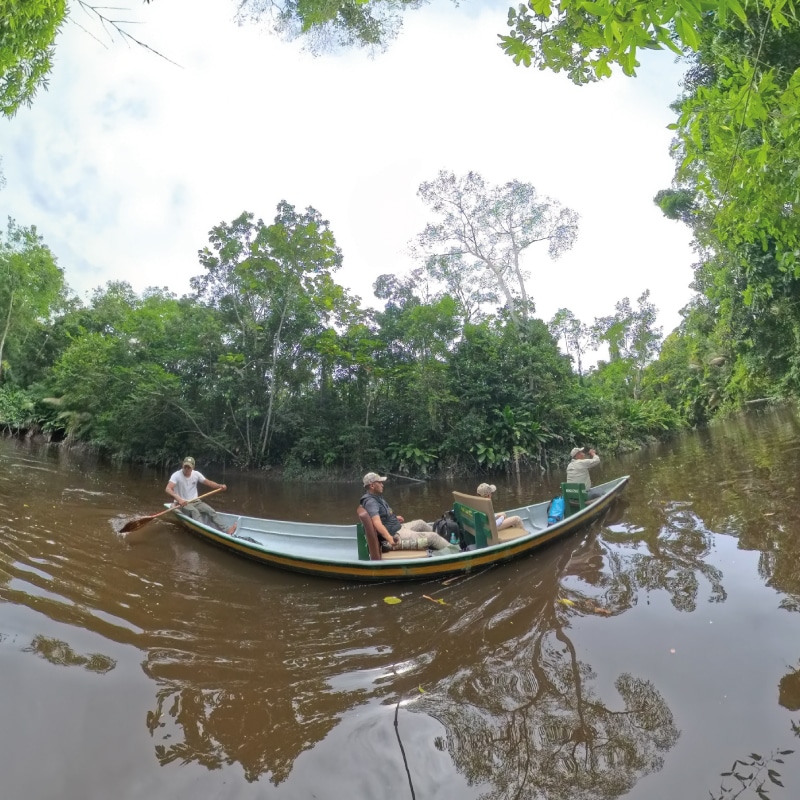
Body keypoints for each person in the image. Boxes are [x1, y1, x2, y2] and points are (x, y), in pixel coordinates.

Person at [360, 472, 451, 552]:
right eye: (379, 482)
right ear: (372, 486)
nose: (382, 485)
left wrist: (395, 517)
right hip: (396, 534)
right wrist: (389, 538)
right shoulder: (371, 502)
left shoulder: (376, 496)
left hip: (398, 527)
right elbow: (377, 522)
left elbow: (382, 515)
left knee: (421, 523)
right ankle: (454, 551)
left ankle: (443, 542)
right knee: (433, 537)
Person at [166, 456, 236, 535]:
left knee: (210, 511)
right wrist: (179, 499)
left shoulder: (196, 474)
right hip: (182, 503)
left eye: (189, 467)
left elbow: (208, 482)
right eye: (185, 466)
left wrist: (219, 486)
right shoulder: (176, 475)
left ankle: (227, 530)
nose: (186, 469)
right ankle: (204, 531)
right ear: (182, 465)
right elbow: (168, 489)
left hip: (195, 501)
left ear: (193, 467)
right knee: (195, 512)